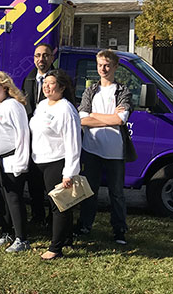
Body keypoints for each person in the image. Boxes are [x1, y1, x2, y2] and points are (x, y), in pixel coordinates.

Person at [76, 50, 132, 245]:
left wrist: (95, 115)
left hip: (115, 151)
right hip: (92, 149)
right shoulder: (90, 91)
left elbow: (121, 119)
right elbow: (82, 118)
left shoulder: (122, 91)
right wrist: (109, 119)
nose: (103, 68)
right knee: (89, 190)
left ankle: (119, 230)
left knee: (116, 193)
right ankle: (84, 225)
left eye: (107, 65)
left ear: (115, 67)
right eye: (100, 65)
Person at [29, 69, 81, 260]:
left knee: (59, 205)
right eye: (45, 83)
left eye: (51, 83)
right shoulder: (42, 105)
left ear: (62, 86)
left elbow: (73, 142)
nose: (46, 86)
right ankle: (66, 238)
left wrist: (69, 172)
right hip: (39, 159)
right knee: (54, 203)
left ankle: (55, 248)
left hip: (57, 162)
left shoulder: (66, 109)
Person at [0, 71, 31, 252]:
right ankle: (7, 232)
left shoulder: (14, 106)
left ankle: (22, 238)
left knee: (14, 199)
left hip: (12, 160)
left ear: (5, 86)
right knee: (2, 199)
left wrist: (21, 162)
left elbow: (22, 134)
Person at [22, 43, 55, 225]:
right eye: (37, 55)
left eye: (45, 55)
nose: (41, 59)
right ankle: (37, 216)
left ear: (52, 58)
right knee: (34, 183)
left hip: (51, 142)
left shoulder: (59, 79)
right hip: (33, 140)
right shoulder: (29, 79)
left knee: (50, 185)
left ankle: (52, 218)